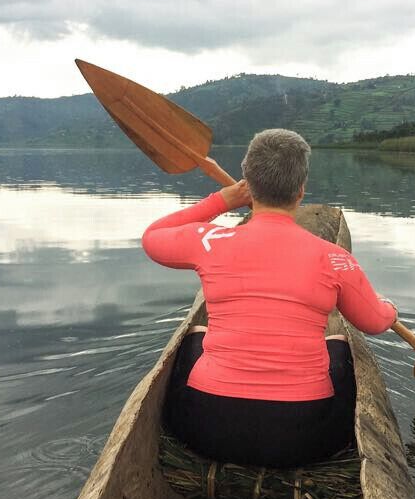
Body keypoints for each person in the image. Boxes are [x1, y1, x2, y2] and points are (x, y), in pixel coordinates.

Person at [141, 129, 397, 468]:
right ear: (301, 190)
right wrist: (390, 309)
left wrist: (222, 201)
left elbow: (152, 237)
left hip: (204, 429)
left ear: (247, 181)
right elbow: (376, 322)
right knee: (340, 345)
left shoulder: (210, 241)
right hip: (306, 440)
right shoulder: (334, 258)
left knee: (194, 338)